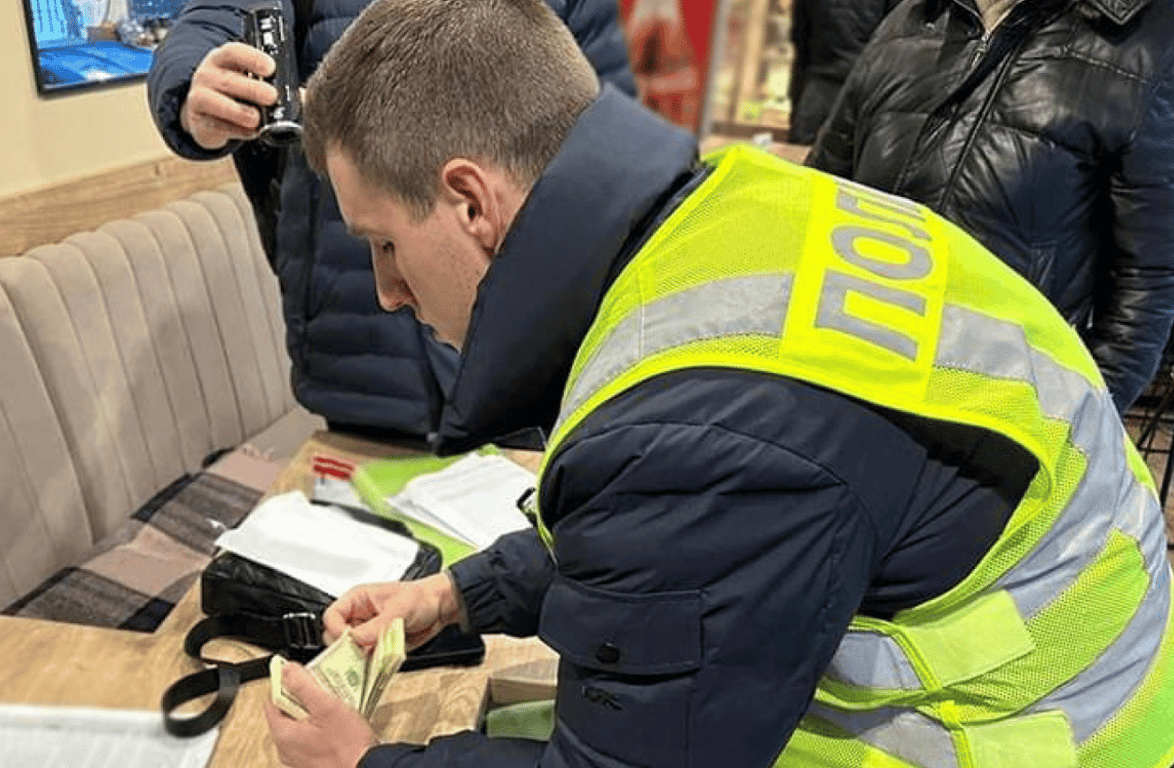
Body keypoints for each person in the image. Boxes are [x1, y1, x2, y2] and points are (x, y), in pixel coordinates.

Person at [255, 1, 1174, 766]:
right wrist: (461, 596)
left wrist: (362, 764)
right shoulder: (734, 208)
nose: (386, 291)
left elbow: (681, 511)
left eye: (384, 242)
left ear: (470, 203)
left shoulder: (693, 431)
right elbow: (677, 536)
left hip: (1022, 737)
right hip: (1063, 670)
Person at [145, 0, 635, 445]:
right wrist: (196, 86)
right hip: (361, 352)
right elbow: (216, 18)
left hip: (526, 354)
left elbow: (609, 137)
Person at [805, 0, 1174, 415]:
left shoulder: (1150, 40)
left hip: (993, 410)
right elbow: (819, 196)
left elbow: (1148, 281)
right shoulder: (912, 19)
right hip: (845, 379)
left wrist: (1070, 422)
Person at [786, 0, 904, 144]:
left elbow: (800, 38)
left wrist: (796, 101)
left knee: (802, 150)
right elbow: (896, 39)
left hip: (819, 88)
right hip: (864, 85)